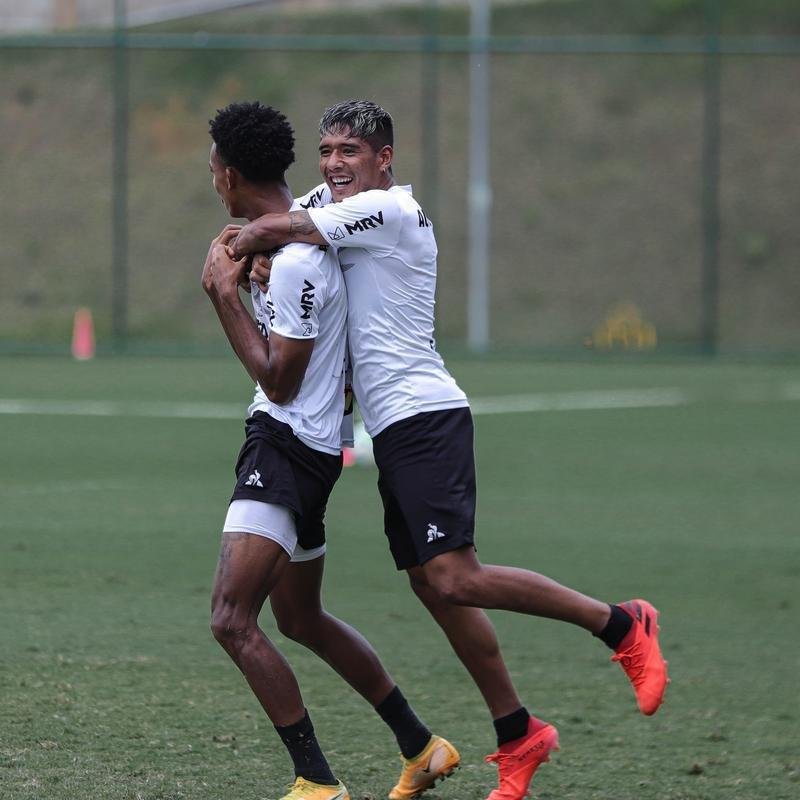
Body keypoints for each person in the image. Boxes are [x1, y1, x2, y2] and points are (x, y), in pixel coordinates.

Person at [231, 99, 670, 800]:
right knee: (434, 587)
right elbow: (283, 219)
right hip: (393, 426)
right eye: (328, 151)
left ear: (384, 159)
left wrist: (245, 249)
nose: (335, 164)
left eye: (351, 151)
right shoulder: (333, 202)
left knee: (457, 578)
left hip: (424, 414)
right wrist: (260, 250)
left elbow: (282, 225)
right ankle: (518, 732)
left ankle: (620, 623)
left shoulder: (391, 209)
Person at [202, 101, 459, 800]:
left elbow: (280, 381)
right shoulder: (304, 235)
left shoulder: (293, 260)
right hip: (315, 447)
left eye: (214, 170)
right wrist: (248, 257)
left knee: (231, 618)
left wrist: (224, 296)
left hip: (286, 445)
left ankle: (316, 781)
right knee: (300, 618)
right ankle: (421, 745)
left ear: (229, 176)